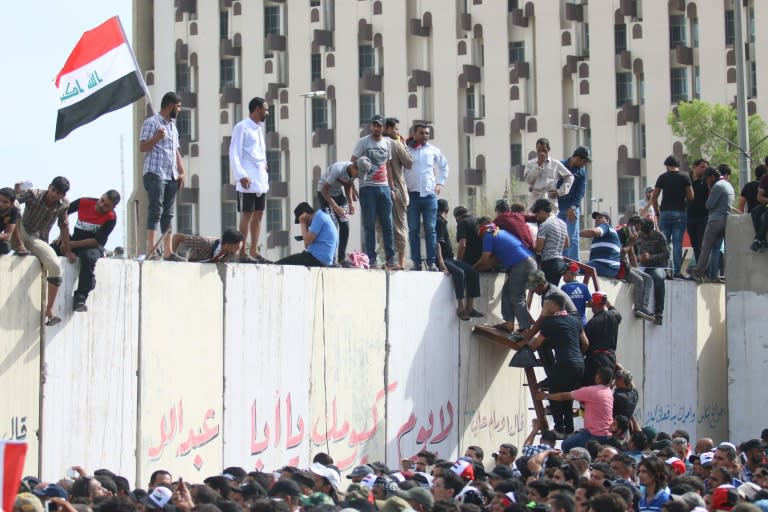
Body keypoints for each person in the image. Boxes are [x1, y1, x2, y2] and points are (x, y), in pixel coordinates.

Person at [15, 177, 73, 326]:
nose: (54, 195)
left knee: (55, 266)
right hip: (20, 231)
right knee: (14, 208)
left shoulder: (63, 205)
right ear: (49, 187)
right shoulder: (33, 194)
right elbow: (11, 202)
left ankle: (50, 310)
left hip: (37, 239)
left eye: (58, 193)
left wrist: (67, 249)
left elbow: (64, 225)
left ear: (63, 195)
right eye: (53, 190)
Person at [528, 294, 588, 437]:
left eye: (546, 305)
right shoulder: (575, 320)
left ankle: (559, 429)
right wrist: (577, 357)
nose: (544, 307)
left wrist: (525, 348)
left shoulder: (550, 323)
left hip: (564, 364)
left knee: (554, 395)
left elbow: (536, 344)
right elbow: (585, 343)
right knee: (567, 397)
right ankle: (568, 429)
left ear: (554, 306)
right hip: (579, 364)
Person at [51, 190, 120, 312]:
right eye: (102, 200)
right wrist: (63, 234)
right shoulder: (84, 202)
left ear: (113, 207)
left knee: (88, 258)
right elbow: (62, 213)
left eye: (106, 205)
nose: (101, 205)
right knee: (53, 248)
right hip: (74, 240)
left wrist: (69, 244)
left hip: (92, 246)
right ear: (101, 196)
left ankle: (80, 297)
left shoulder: (111, 218)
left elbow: (96, 242)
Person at [581, 211, 654, 321]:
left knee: (647, 278)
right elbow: (622, 252)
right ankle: (639, 308)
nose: (597, 220)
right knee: (640, 280)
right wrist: (631, 243)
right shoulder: (620, 232)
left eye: (600, 218)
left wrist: (636, 267)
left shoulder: (606, 229)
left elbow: (630, 254)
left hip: (616, 266)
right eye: (596, 218)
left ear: (607, 220)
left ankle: (642, 307)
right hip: (618, 266)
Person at [139, 91, 185, 260]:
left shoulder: (172, 127)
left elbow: (176, 151)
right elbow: (143, 147)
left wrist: (182, 171)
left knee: (168, 213)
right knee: (155, 210)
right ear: (170, 105)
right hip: (155, 172)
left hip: (170, 174)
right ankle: (151, 248)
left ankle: (167, 251)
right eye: (178, 106)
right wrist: (157, 138)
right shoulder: (152, 123)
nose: (179, 110)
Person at [474, 218, 537, 334]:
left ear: (480, 226)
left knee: (517, 297)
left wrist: (472, 269)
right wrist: (479, 268)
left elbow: (485, 259)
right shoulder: (499, 232)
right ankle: (509, 323)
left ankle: (525, 327)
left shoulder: (488, 234)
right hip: (526, 262)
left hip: (521, 264)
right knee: (507, 292)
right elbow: (494, 261)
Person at [351, 115, 397, 269]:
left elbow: (388, 165)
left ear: (384, 127)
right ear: (371, 126)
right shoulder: (363, 142)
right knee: (369, 224)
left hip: (383, 187)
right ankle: (371, 258)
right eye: (374, 125)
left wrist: (391, 187)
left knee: (387, 224)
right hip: (368, 186)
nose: (377, 128)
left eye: (380, 126)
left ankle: (391, 257)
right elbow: (352, 162)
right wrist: (354, 184)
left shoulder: (387, 143)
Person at [230, 96, 270, 263]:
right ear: (256, 109)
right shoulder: (242, 127)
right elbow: (234, 153)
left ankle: (254, 249)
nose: (267, 113)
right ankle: (242, 251)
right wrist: (241, 175)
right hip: (247, 178)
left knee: (259, 214)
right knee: (247, 213)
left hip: (260, 179)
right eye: (265, 109)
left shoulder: (259, 129)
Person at [405, 122, 449, 271]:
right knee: (413, 229)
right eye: (422, 133)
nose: (425, 136)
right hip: (412, 195)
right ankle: (416, 262)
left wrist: (440, 183)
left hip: (429, 195)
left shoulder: (433, 150)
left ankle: (431, 262)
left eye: (427, 133)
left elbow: (444, 166)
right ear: (415, 133)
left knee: (431, 229)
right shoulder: (406, 149)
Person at [544, 366, 614, 451]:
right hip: (607, 434)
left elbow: (563, 397)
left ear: (598, 377)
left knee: (565, 445)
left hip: (594, 434)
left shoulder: (591, 391)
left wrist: (546, 396)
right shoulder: (609, 392)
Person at [435, 199, 483, 321]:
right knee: (459, 273)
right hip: (444, 258)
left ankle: (470, 307)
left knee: (472, 272)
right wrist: (440, 262)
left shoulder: (443, 222)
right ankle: (460, 307)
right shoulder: (439, 222)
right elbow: (437, 243)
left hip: (449, 258)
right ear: (447, 210)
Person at [317, 157, 371, 262]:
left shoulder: (353, 172)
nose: (357, 177)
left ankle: (341, 258)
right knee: (332, 227)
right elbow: (324, 190)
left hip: (337, 194)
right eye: (358, 174)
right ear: (354, 167)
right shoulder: (338, 169)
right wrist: (335, 207)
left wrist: (350, 203)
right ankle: (330, 258)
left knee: (345, 225)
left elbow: (348, 184)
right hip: (324, 194)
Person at [688, 168, 734, 283]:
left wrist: (710, 189)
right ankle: (714, 276)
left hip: (715, 221)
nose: (707, 182)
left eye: (707, 179)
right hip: (725, 220)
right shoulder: (728, 185)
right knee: (716, 249)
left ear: (712, 177)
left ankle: (698, 273)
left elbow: (709, 205)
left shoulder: (717, 186)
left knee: (706, 247)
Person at [650, 156, 693, 279]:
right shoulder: (685, 176)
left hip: (665, 213)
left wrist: (657, 213)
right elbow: (691, 196)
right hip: (680, 212)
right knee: (677, 243)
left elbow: (654, 197)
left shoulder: (662, 177)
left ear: (667, 165)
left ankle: (664, 270)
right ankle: (677, 271)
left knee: (664, 243)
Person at [384, 117, 414, 269]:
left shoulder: (376, 143)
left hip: (381, 189)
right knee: (399, 225)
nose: (398, 132)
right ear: (388, 129)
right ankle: (400, 261)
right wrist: (403, 144)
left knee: (383, 226)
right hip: (397, 189)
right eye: (395, 129)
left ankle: (390, 260)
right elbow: (409, 163)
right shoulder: (396, 144)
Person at [276, 202, 337, 267]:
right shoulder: (321, 216)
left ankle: (273, 264)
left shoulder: (319, 217)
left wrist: (303, 222)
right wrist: (306, 226)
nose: (308, 224)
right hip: (319, 259)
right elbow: (307, 246)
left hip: (316, 259)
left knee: (282, 264)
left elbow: (307, 241)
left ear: (305, 214)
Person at [524, 137, 573, 214]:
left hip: (550, 201)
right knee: (534, 224)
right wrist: (538, 165)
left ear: (548, 149)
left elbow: (570, 177)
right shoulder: (530, 164)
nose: (541, 153)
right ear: (536, 150)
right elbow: (528, 180)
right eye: (539, 150)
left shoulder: (555, 163)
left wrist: (560, 192)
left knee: (550, 223)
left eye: (544, 150)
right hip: (535, 200)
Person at [634, 218, 669, 325]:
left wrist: (651, 257)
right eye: (644, 233)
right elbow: (634, 253)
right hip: (642, 267)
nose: (645, 235)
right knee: (634, 278)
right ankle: (639, 307)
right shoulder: (638, 236)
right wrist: (639, 258)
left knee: (658, 279)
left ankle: (659, 313)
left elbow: (666, 254)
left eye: (647, 233)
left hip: (658, 267)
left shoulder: (659, 236)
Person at [582, 291, 621, 387]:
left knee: (590, 389)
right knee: (605, 389)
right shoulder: (614, 316)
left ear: (593, 304)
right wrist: (605, 299)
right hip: (611, 359)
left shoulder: (591, 324)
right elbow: (613, 309)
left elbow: (585, 345)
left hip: (596, 360)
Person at [559, 146, 591, 261]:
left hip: (572, 209)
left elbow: (581, 191)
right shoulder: (560, 166)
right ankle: (563, 265)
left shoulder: (581, 172)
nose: (584, 164)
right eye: (584, 161)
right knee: (561, 238)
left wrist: (573, 207)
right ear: (578, 158)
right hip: (557, 209)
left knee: (572, 238)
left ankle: (574, 268)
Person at [532, 198, 569, 285]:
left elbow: (539, 248)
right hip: (560, 262)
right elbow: (567, 244)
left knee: (548, 294)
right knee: (554, 291)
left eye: (537, 214)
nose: (537, 217)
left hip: (549, 263)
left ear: (541, 211)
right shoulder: (562, 223)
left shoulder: (544, 225)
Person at [168, 228, 244, 263]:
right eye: (236, 248)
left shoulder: (229, 253)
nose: (237, 251)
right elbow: (177, 237)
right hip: (185, 255)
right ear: (227, 245)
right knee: (184, 257)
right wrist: (170, 258)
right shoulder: (205, 242)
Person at [686, 159, 710, 268]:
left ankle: (703, 268)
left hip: (703, 217)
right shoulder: (687, 180)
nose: (704, 169)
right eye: (702, 167)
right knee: (695, 244)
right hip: (690, 217)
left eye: (706, 167)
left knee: (701, 244)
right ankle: (698, 267)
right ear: (694, 167)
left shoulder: (706, 181)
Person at [0, 187, 24, 255]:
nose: (0, 204)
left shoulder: (13, 211)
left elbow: (8, 235)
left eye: (5, 202)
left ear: (11, 203)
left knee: (6, 247)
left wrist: (20, 244)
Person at [750, 168, 768, 252]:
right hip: (767, 203)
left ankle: (758, 239)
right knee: (755, 211)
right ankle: (762, 240)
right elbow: (759, 197)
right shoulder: (765, 178)